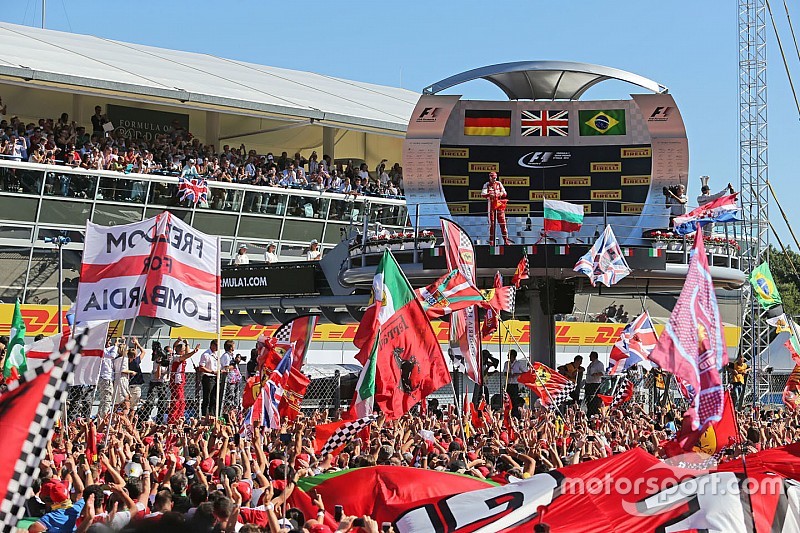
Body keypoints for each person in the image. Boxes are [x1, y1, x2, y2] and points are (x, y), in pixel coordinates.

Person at [168, 339, 200, 424]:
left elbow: (186, 355)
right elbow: (186, 356)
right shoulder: (176, 357)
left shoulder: (181, 356)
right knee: (176, 402)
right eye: (183, 350)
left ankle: (180, 418)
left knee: (182, 402)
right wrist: (194, 352)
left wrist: (187, 344)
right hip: (176, 381)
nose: (184, 352)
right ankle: (173, 420)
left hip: (181, 381)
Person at [97, 337, 124, 420]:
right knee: (107, 399)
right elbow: (112, 355)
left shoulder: (106, 350)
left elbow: (116, 353)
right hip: (105, 377)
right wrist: (115, 345)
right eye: (108, 343)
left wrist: (121, 342)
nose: (110, 344)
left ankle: (100, 417)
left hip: (105, 377)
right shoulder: (103, 350)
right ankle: (103, 418)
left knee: (104, 400)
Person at [481, 171, 510, 245]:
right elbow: (483, 194)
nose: (494, 179)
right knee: (492, 223)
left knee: (503, 222)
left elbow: (505, 193)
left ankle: (506, 240)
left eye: (495, 178)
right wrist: (489, 194)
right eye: (493, 178)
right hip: (491, 205)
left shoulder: (499, 183)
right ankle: (491, 241)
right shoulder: (487, 184)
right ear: (490, 177)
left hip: (499, 205)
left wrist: (500, 193)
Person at [197, 340, 219, 417]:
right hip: (208, 377)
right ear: (212, 345)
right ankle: (204, 415)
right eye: (216, 345)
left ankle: (212, 414)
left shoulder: (216, 354)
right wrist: (212, 371)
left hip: (215, 377)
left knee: (214, 398)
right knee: (207, 398)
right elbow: (201, 367)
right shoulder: (206, 354)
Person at [126, 337, 145, 411]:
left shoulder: (126, 362)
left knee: (127, 405)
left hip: (128, 385)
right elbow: (143, 351)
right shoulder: (136, 362)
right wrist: (137, 343)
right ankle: (131, 421)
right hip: (136, 386)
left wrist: (135, 346)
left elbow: (134, 354)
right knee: (134, 407)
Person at [584, 351, 604, 417]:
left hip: (595, 384)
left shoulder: (599, 364)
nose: (589, 357)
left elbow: (602, 373)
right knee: (588, 400)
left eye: (590, 356)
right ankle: (589, 413)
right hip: (589, 383)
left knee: (594, 400)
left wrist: (595, 374)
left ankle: (594, 413)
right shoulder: (591, 364)